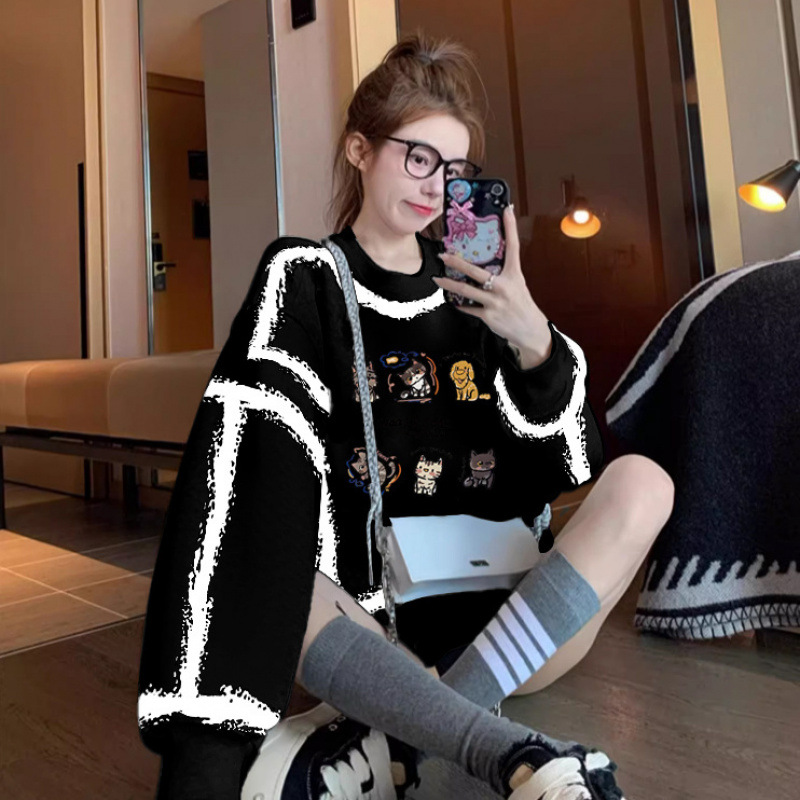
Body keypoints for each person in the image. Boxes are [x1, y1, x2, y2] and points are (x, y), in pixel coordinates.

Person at [137, 30, 674, 800]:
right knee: (255, 536)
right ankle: (491, 747)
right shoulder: (306, 278)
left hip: (515, 628)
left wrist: (533, 342)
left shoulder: (482, 297)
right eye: (418, 158)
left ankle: (411, 739)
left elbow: (571, 468)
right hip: (368, 629)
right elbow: (253, 460)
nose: (436, 188)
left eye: (455, 171)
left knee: (645, 481)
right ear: (359, 149)